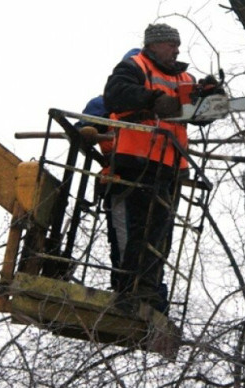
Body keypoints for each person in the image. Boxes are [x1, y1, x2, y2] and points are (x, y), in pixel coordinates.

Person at [101, 23, 215, 313]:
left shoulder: (184, 77)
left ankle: (149, 291)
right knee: (136, 230)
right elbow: (116, 94)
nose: (176, 49)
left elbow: (199, 115)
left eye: (177, 44)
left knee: (160, 234)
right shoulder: (134, 67)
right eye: (170, 44)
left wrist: (211, 96)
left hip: (171, 168)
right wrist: (152, 100)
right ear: (153, 45)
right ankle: (127, 291)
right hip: (137, 162)